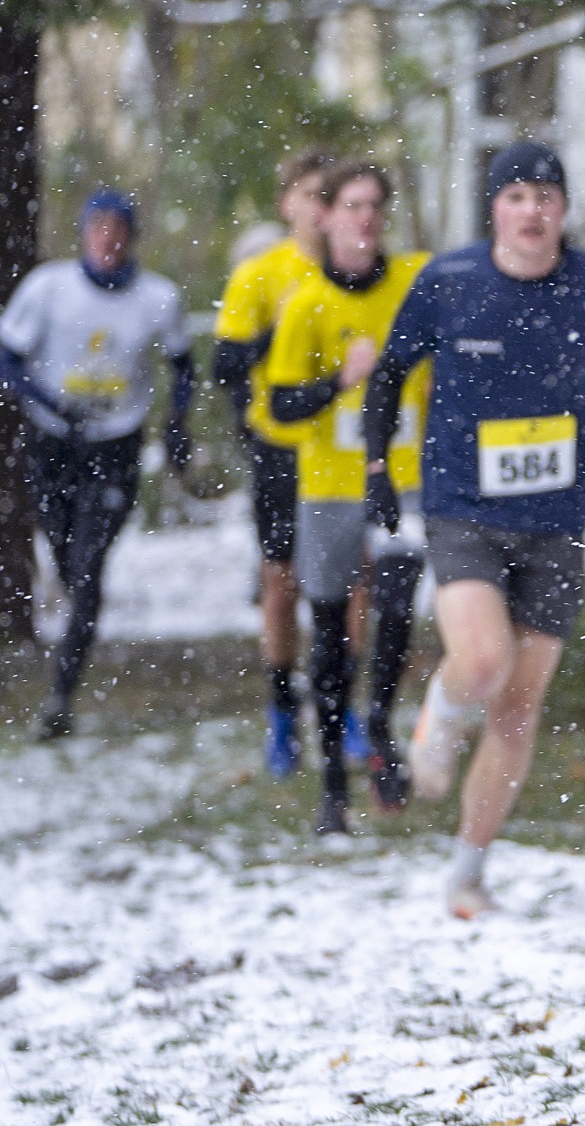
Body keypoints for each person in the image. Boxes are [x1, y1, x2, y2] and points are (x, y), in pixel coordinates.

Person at [363, 141, 585, 916]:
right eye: (515, 196)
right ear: (494, 209)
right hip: (463, 506)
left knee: (517, 709)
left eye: (546, 196)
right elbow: (389, 374)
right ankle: (438, 721)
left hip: (556, 521)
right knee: (483, 661)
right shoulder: (448, 281)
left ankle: (468, 874)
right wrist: (377, 469)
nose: (532, 211)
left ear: (564, 209)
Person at [264, 160, 431, 836]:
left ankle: (382, 726)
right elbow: (280, 404)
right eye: (352, 206)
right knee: (331, 636)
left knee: (396, 599)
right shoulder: (307, 303)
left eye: (375, 206)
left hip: (405, 476)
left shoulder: (414, 284)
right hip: (330, 485)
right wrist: (338, 382)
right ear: (325, 217)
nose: (365, 219)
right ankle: (333, 785)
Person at [0, 189, 197, 740]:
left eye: (118, 228)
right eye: (98, 227)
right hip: (54, 443)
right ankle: (73, 640)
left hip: (116, 446)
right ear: (84, 233)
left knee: (88, 568)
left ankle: (60, 697)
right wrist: (45, 399)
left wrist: (176, 424)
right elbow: (7, 357)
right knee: (65, 557)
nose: (108, 239)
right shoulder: (48, 288)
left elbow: (184, 365)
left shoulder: (158, 297)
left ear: (132, 237)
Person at [213, 147, 349, 776]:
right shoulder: (261, 275)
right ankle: (282, 711)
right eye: (313, 196)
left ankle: (345, 708)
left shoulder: (360, 270)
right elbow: (225, 364)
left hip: (345, 446)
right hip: (281, 446)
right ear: (287, 203)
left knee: (354, 583)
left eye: (332, 197)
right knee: (281, 580)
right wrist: (280, 330)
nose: (323, 210)